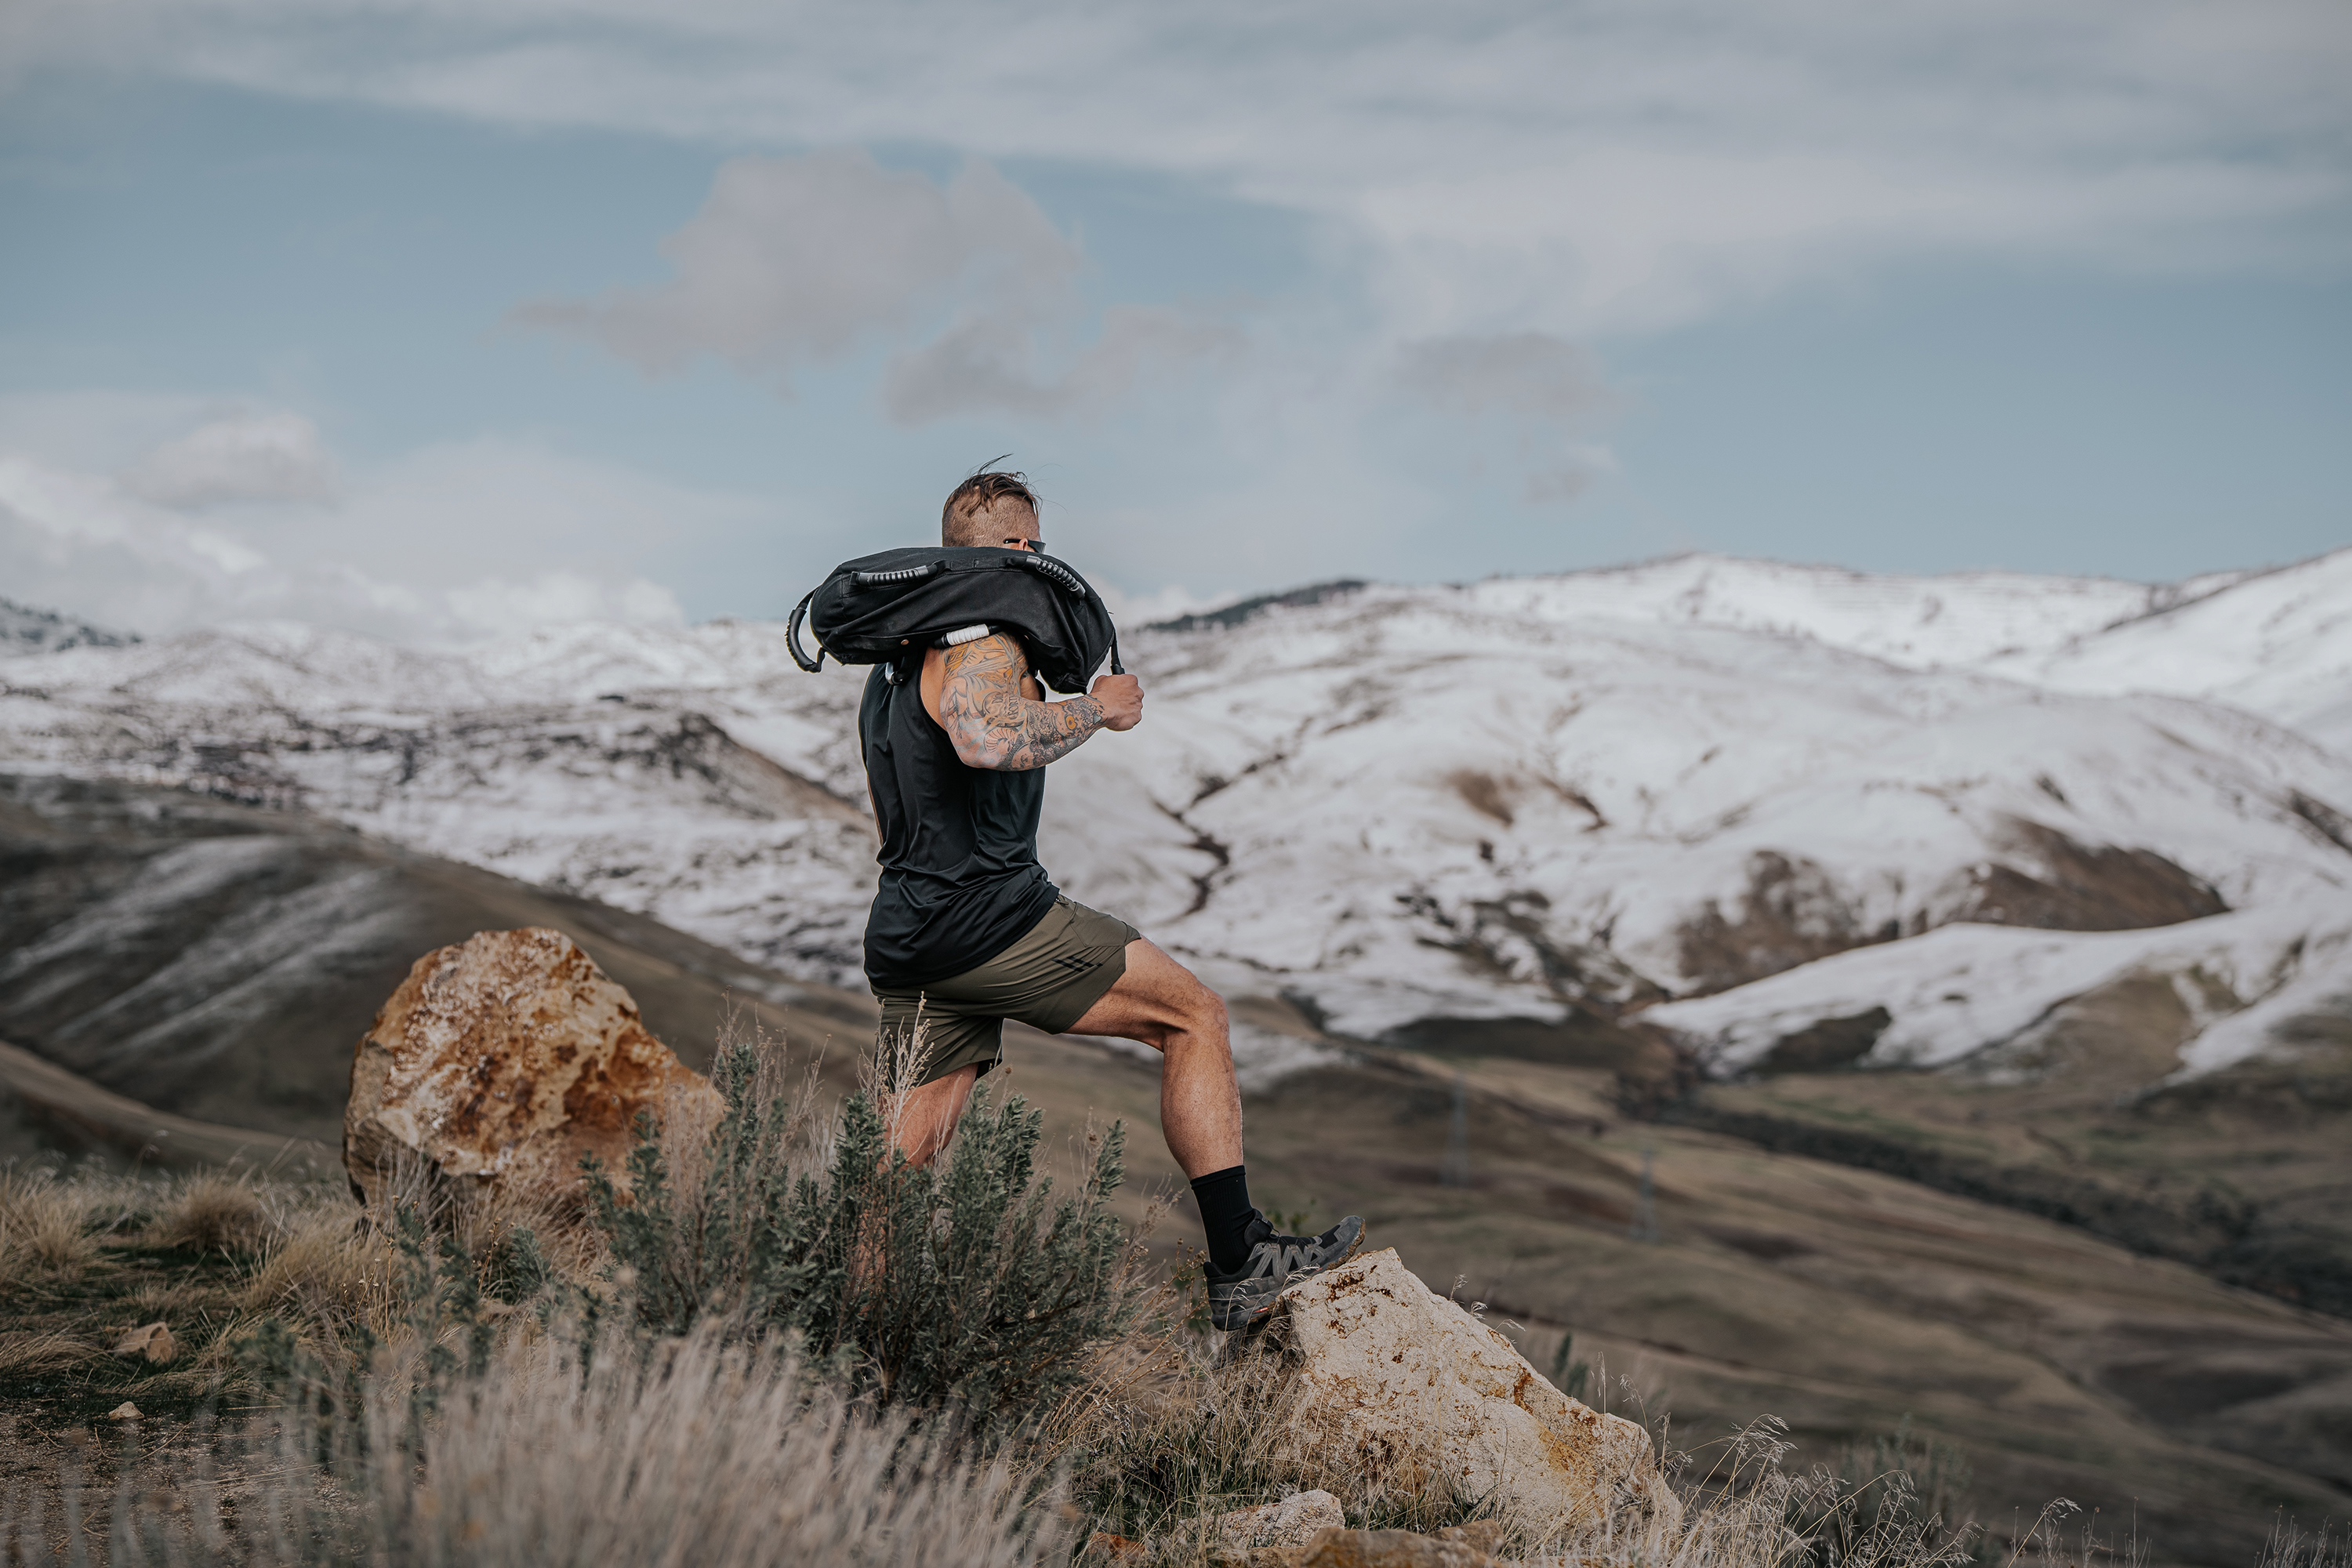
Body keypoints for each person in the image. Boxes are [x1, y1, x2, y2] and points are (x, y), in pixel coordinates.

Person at [858, 466, 1361, 1330]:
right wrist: (1092, 709)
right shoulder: (984, 639)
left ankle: (841, 1330)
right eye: (1038, 547)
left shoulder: (896, 658)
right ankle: (1242, 1259)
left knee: (901, 1166)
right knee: (1194, 1016)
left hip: (910, 935)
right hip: (993, 925)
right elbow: (984, 740)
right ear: (1020, 550)